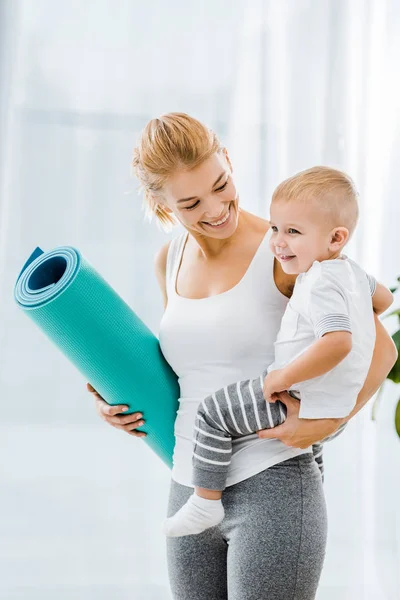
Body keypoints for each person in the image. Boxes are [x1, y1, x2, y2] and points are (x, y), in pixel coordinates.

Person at [87, 113, 397, 600]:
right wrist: (118, 401)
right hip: (189, 482)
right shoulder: (168, 261)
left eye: (221, 185)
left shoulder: (287, 250)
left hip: (273, 481)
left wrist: (325, 425)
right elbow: (192, 370)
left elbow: (380, 348)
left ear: (229, 160)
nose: (215, 209)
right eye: (190, 203)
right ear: (160, 203)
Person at [163, 166, 394, 538]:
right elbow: (382, 300)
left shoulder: (315, 278)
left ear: (336, 238)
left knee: (213, 411)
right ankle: (310, 480)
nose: (278, 242)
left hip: (286, 416)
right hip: (193, 463)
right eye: (275, 228)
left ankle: (205, 501)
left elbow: (355, 344)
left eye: (292, 232)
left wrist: (290, 383)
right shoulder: (346, 274)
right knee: (313, 463)